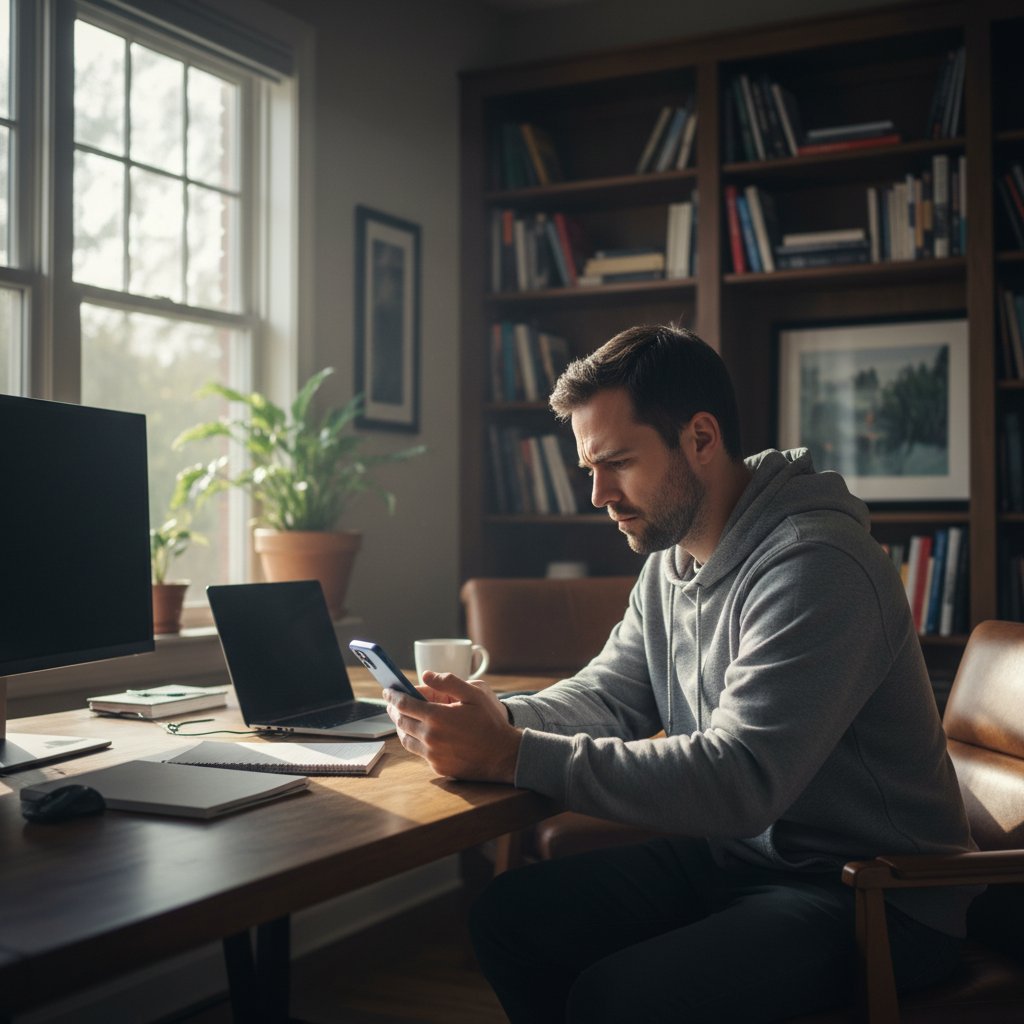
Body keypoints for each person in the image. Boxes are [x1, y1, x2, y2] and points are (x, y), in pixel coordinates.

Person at [382, 324, 976, 1022]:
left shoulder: (818, 564)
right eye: (589, 468)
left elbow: (742, 780)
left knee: (618, 999)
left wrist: (512, 754)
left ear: (700, 438)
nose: (598, 494)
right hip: (743, 861)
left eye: (617, 462)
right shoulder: (671, 558)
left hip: (875, 895)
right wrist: (496, 719)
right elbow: (610, 693)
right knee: (509, 917)